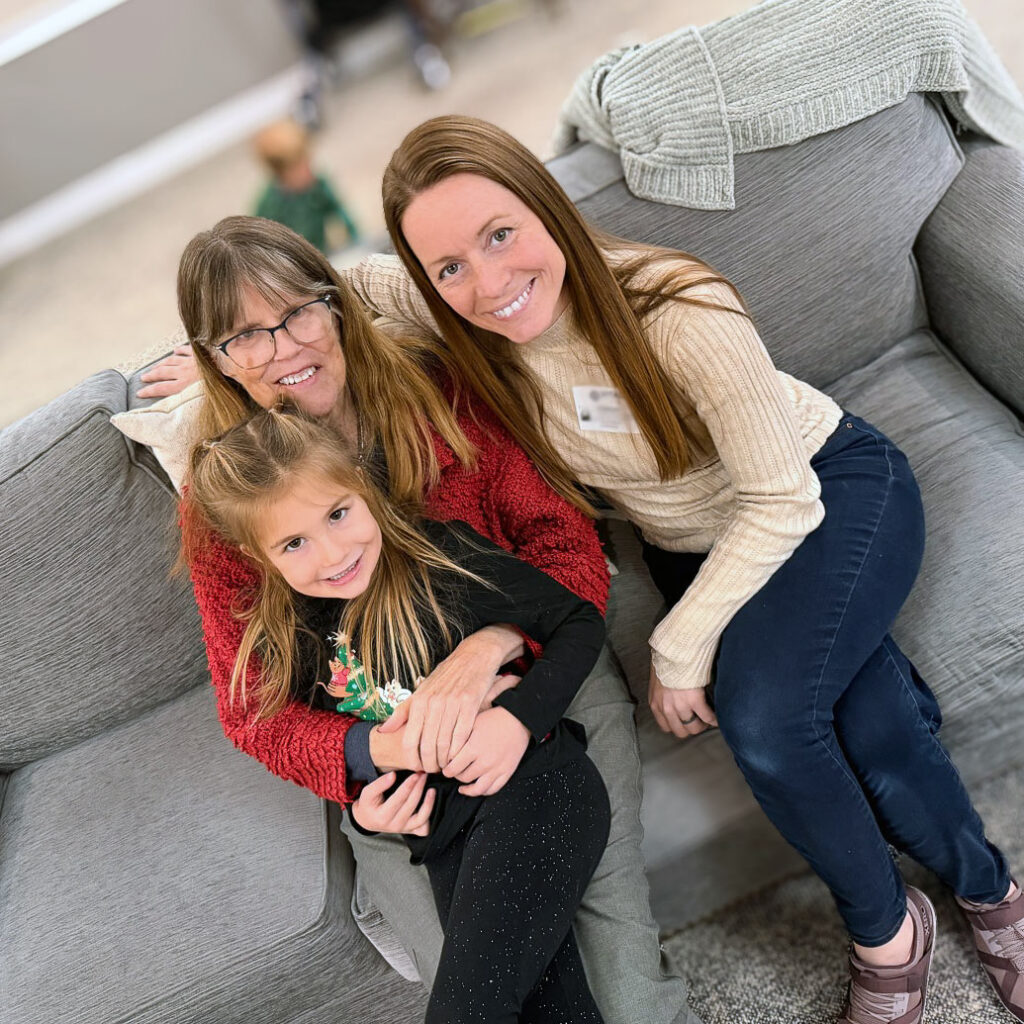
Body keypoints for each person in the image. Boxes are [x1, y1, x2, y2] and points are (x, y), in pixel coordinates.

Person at [319, 114, 1022, 1024]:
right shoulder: (462, 318)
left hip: (823, 494)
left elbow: (781, 499)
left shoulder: (677, 310)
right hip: (694, 545)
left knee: (770, 722)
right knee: (870, 706)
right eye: (448, 266)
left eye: (501, 235)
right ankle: (978, 897)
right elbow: (331, 284)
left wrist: (681, 645)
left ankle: (901, 931)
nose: (488, 283)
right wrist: (241, 345)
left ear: (545, 207)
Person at [172, 216, 702, 1024]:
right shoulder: (225, 500)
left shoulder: (438, 387)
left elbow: (564, 543)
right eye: (246, 337)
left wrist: (491, 651)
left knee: (624, 999)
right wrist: (369, 760)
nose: (283, 350)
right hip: (397, 760)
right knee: (480, 980)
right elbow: (255, 711)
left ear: (336, 302)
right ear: (216, 359)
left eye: (297, 314)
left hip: (539, 671)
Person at [182, 405, 610, 1022]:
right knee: (555, 1011)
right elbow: (335, 735)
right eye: (295, 542)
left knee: (468, 1011)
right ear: (257, 554)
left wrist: (516, 717)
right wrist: (371, 808)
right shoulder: (296, 640)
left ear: (362, 486)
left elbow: (577, 622)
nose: (333, 553)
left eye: (338, 513)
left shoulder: (445, 560)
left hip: (538, 793)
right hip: (443, 841)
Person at [252, 119, 359, 253]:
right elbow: (261, 245)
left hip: (320, 251)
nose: (309, 171)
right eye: (301, 168)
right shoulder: (269, 207)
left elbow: (340, 211)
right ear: (282, 174)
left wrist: (357, 241)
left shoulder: (318, 183)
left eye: (309, 162)